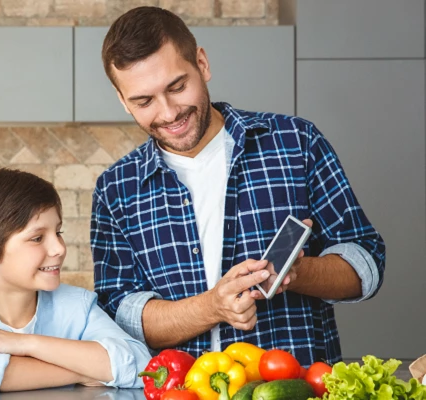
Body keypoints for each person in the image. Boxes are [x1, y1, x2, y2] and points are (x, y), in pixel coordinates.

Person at [91, 7, 385, 366]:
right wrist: (212, 306)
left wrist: (297, 273)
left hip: (293, 387)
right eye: (144, 101)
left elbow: (367, 266)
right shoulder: (115, 189)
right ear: (123, 101)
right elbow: (121, 314)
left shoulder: (296, 142)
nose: (168, 113)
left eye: (177, 87)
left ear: (202, 63)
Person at [0, 168, 151, 394]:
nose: (59, 248)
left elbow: (141, 364)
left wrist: (24, 344)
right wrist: (84, 370)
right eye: (37, 238)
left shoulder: (77, 305)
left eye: (58, 232)